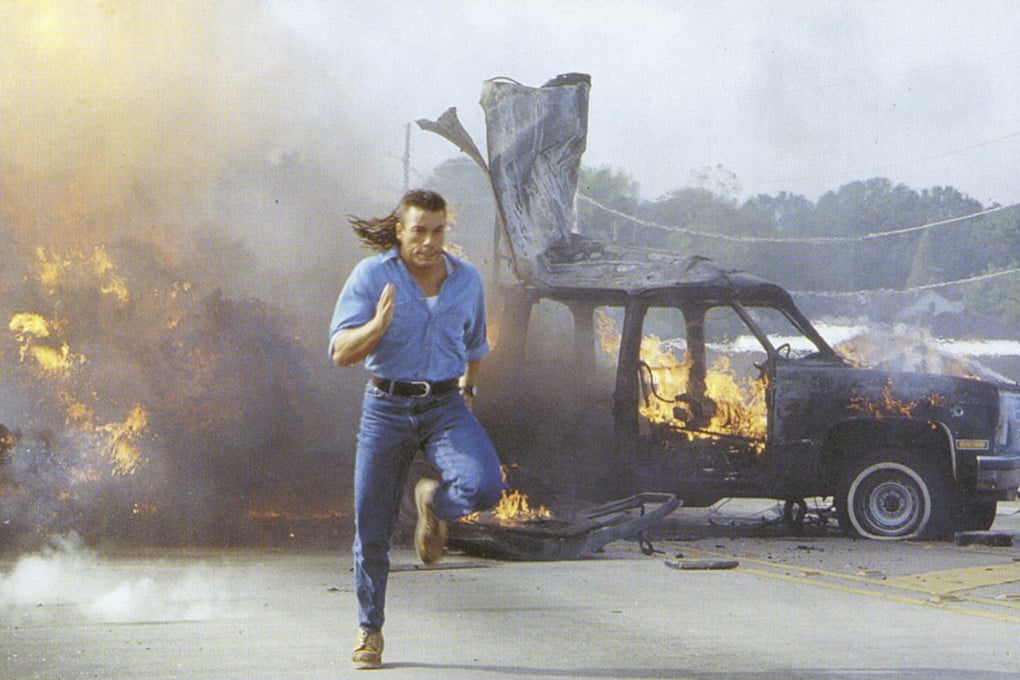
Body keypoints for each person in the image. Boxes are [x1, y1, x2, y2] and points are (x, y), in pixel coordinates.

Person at [329, 189, 504, 670]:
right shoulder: (372, 276)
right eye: (419, 231)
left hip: (446, 404)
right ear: (400, 230)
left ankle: (434, 503)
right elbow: (340, 351)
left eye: (438, 231)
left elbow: (476, 347)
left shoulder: (466, 280)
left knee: (486, 485)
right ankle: (370, 631)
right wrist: (377, 327)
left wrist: (468, 395)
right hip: (385, 407)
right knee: (372, 527)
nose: (428, 241)